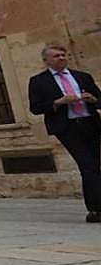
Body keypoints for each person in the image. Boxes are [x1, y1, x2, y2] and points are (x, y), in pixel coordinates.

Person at [28, 44, 101, 222]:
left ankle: (94, 210)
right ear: (46, 61)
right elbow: (35, 108)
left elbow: (99, 99)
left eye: (63, 55)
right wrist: (58, 102)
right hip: (67, 127)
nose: (61, 58)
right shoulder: (38, 81)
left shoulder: (82, 77)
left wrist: (93, 99)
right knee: (88, 165)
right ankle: (96, 209)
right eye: (56, 56)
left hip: (89, 123)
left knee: (94, 166)